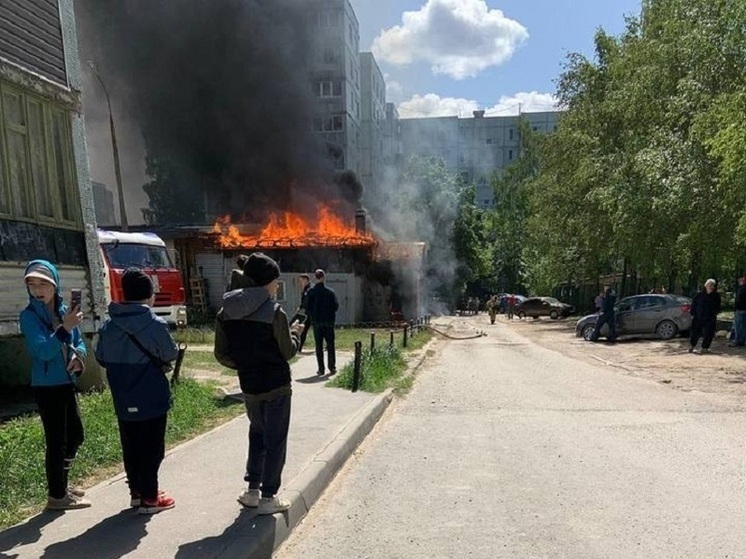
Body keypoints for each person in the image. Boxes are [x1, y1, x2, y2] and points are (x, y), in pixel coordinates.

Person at [214, 253, 303, 515]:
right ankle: (269, 497)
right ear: (265, 283)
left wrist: (244, 365)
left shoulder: (225, 311)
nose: (276, 287)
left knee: (257, 434)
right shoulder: (275, 311)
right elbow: (287, 351)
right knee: (276, 440)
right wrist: (296, 335)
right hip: (276, 384)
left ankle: (252, 490)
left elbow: (221, 353)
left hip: (249, 385)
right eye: (275, 282)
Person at [95, 268, 179, 514]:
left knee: (131, 447)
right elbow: (170, 353)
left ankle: (136, 493)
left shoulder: (109, 326)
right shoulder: (154, 324)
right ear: (149, 295)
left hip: (123, 396)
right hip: (151, 395)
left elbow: (101, 357)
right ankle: (151, 498)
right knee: (153, 448)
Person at [20, 260, 90, 510]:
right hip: (47, 386)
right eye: (32, 283)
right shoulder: (28, 316)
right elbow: (42, 351)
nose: (37, 289)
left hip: (65, 381)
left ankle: (61, 484)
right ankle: (57, 496)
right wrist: (65, 329)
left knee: (76, 435)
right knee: (57, 440)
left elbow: (78, 342)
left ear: (55, 284)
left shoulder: (64, 311)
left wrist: (78, 358)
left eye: (43, 283)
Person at [306, 269, 339, 376]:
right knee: (330, 345)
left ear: (315, 278)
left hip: (316, 322)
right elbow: (336, 307)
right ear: (324, 277)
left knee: (318, 346)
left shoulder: (310, 292)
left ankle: (321, 369)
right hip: (329, 322)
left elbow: (307, 307)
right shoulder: (330, 292)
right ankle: (332, 367)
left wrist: (312, 316)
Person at [689, 279, 721, 354]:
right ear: (705, 285)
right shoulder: (699, 295)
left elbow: (718, 306)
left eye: (712, 285)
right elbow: (694, 305)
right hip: (698, 317)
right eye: (709, 285)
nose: (711, 287)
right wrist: (693, 313)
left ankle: (705, 348)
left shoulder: (716, 296)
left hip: (710, 318)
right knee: (695, 332)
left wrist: (714, 313)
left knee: (709, 333)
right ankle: (692, 346)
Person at [292, 274, 312, 352]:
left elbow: (307, 301)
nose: (300, 283)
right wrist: (300, 307)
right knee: (304, 329)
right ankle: (299, 348)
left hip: (311, 312)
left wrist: (302, 307)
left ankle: (298, 348)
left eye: (301, 280)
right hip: (307, 312)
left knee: (320, 329)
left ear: (306, 280)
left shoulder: (310, 289)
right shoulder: (306, 289)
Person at [731, 277, 746, 347]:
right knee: (743, 326)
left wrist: (735, 308)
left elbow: (738, 300)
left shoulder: (741, 289)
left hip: (740, 309)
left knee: (738, 326)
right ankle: (743, 340)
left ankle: (738, 340)